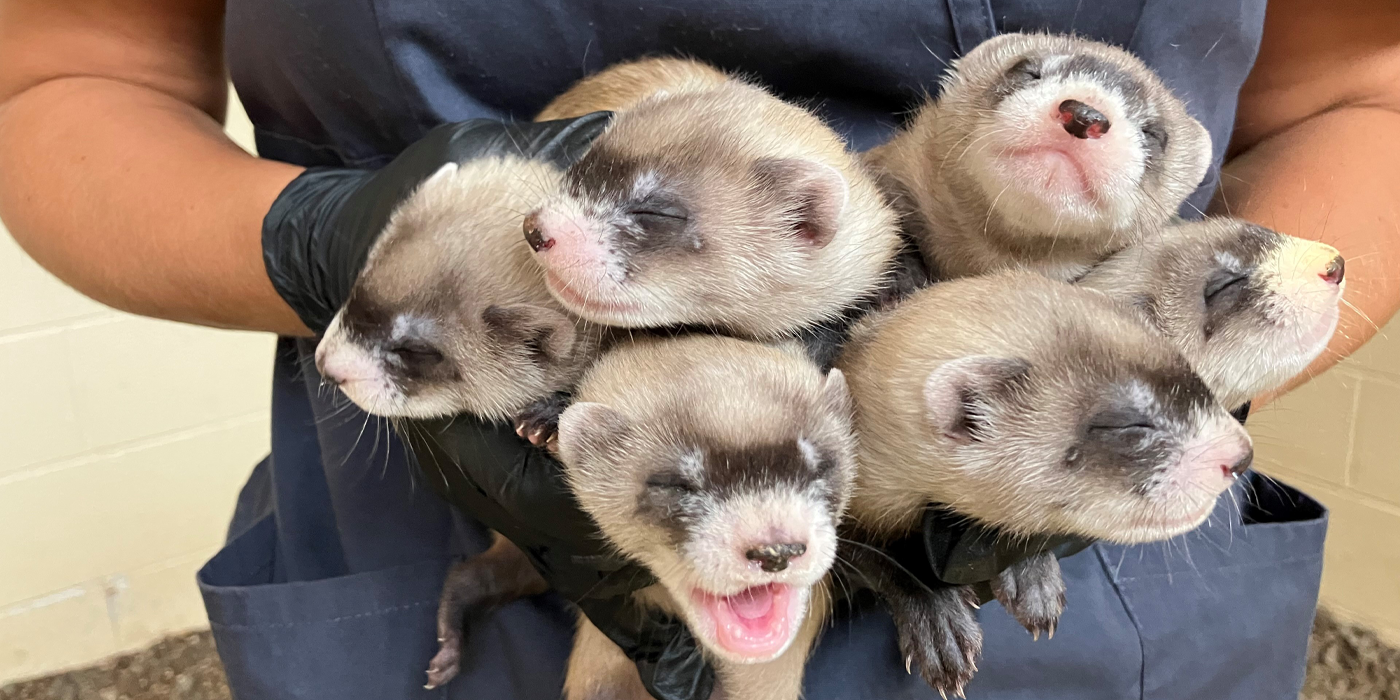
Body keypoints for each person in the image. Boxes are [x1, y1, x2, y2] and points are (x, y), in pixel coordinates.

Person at [1, 0, 1397, 698]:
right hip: (436, 498)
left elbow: (1362, 90)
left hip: (1094, 588)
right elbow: (67, 70)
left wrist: (1159, 387)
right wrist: (330, 240)